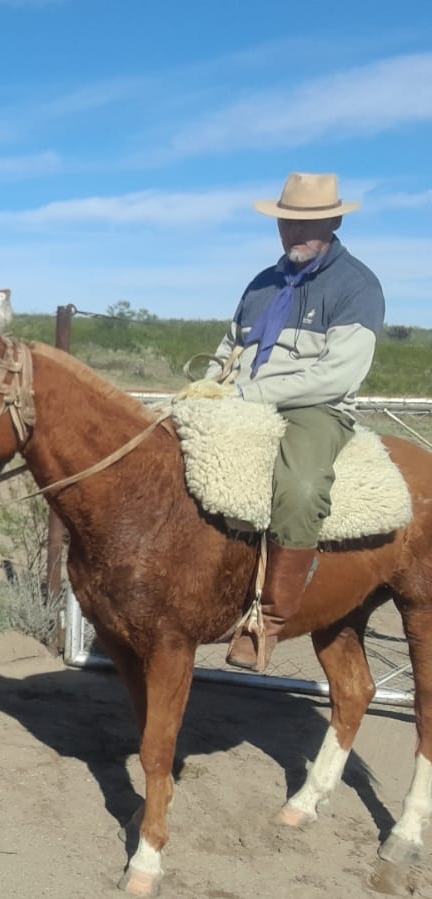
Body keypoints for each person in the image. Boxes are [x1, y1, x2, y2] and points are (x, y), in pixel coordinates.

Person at [208, 172, 385, 673]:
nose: (296, 233)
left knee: (301, 488)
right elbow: (229, 348)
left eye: (309, 223)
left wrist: (251, 394)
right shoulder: (261, 283)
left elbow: (336, 376)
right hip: (242, 399)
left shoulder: (357, 286)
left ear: (334, 222)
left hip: (313, 407)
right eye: (288, 222)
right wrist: (210, 386)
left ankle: (267, 621)